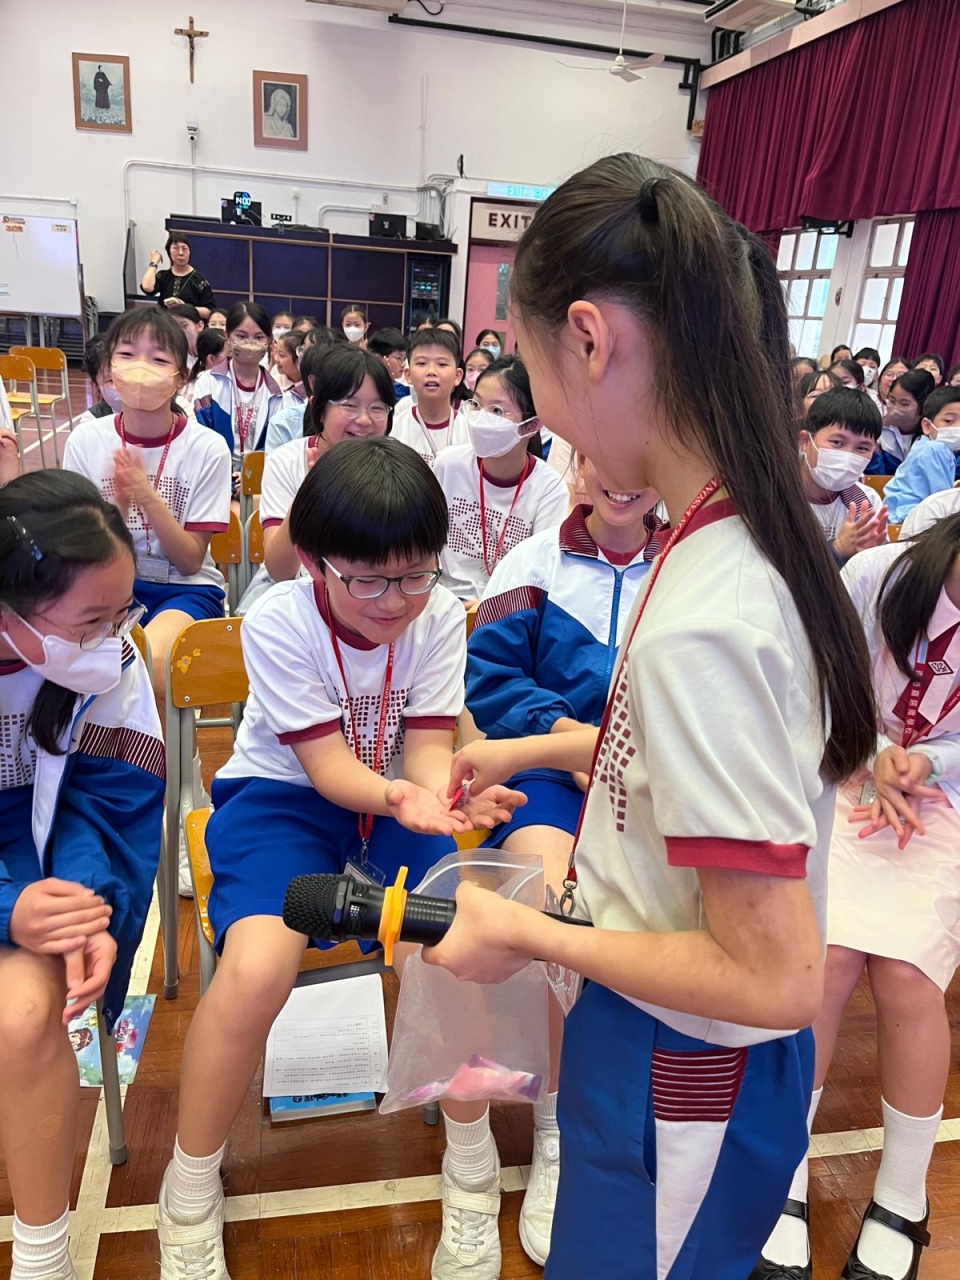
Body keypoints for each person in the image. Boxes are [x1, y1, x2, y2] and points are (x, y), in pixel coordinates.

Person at [421, 153, 877, 1280]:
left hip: (685, 1067)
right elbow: (675, 766)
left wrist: (524, 930)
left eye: (526, 364)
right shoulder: (731, 538)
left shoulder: (711, 609)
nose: (534, 410)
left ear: (587, 337)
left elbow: (775, 976)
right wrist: (536, 747)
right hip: (669, 1044)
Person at [154, 438, 525, 1280]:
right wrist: (404, 797)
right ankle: (190, 1186)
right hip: (284, 799)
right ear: (317, 561)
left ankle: (471, 1169)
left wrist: (440, 796)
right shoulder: (278, 621)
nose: (395, 601)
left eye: (416, 574)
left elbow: (427, 746)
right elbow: (325, 769)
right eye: (367, 580)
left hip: (394, 797)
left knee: (450, 949)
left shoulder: (438, 615)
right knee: (257, 969)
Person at [755, 521, 960, 1280]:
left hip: (943, 803)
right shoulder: (878, 574)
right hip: (839, 773)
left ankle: (902, 1195)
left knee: (907, 975)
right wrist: (874, 755)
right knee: (828, 957)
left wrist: (925, 762)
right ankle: (782, 1169)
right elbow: (811, 684)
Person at [0, 469, 164, 1280]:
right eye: (90, 621)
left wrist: (85, 910)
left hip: (46, 852)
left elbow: (104, 803)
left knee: (28, 1016)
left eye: (121, 613)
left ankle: (42, 1256)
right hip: (12, 880)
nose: (112, 639)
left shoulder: (105, 664)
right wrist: (8, 907)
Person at [61, 308, 232, 707]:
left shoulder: (207, 448)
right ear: (109, 368)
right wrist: (118, 507)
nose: (140, 369)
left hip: (184, 590)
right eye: (127, 355)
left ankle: (159, 749)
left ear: (180, 377)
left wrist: (146, 496)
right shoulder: (85, 441)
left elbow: (190, 561)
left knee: (148, 663)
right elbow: (84, 553)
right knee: (71, 661)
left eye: (157, 359)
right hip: (105, 584)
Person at [239, 346, 396, 613]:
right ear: (319, 409)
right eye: (349, 405)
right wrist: (308, 496)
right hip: (293, 592)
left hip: (369, 592)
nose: (364, 420)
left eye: (377, 407)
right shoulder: (287, 462)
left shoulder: (396, 466)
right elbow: (280, 572)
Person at [433, 356, 569, 607]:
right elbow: (425, 544)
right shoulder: (447, 465)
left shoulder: (549, 489)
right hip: (443, 602)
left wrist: (489, 606)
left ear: (531, 425)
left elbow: (541, 574)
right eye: (476, 405)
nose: (480, 419)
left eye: (497, 411)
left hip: (507, 609)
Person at [799, 387, 887, 562]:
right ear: (805, 441)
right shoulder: (775, 494)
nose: (848, 456)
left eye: (862, 448)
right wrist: (837, 549)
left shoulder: (865, 501)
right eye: (837, 442)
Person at [193, 302, 284, 465]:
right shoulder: (209, 382)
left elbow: (275, 447)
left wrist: (251, 473)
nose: (250, 344)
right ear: (227, 336)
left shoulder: (275, 394)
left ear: (269, 341)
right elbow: (200, 435)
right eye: (241, 336)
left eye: (259, 337)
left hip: (258, 475)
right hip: (214, 467)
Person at [882, 387, 960, 524]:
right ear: (927, 426)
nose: (957, 427)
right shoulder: (934, 449)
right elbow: (942, 502)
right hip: (907, 522)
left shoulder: (926, 445)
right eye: (949, 421)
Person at [391, 328, 466, 463]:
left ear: (457, 376)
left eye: (442, 364)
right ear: (408, 375)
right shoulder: (394, 429)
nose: (431, 371)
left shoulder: (468, 432)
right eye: (421, 363)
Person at [867, 370, 937, 474]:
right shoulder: (877, 431)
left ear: (923, 406)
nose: (895, 407)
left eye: (904, 404)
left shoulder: (933, 436)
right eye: (892, 400)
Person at [140, 234, 216, 320]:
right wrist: (154, 263)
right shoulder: (164, 276)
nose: (180, 253)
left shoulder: (199, 280)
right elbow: (147, 287)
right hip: (166, 324)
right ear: (169, 252)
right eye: (175, 248)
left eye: (184, 249)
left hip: (189, 324)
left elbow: (209, 312)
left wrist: (184, 307)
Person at [367, 327, 411, 401]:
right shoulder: (367, 389)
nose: (403, 364)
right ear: (379, 358)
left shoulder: (406, 392)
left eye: (404, 358)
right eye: (399, 358)